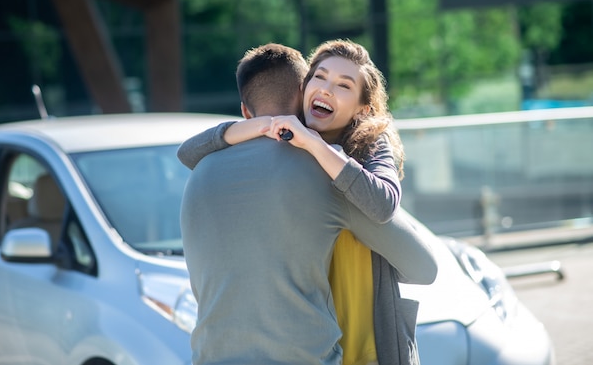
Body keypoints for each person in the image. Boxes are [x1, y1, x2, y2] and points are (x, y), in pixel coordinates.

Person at [178, 43, 437, 365]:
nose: (327, 90)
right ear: (302, 94)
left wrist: (308, 142)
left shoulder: (201, 174)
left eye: (344, 85)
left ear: (363, 109)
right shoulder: (320, 176)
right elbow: (424, 268)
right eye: (320, 77)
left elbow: (382, 202)